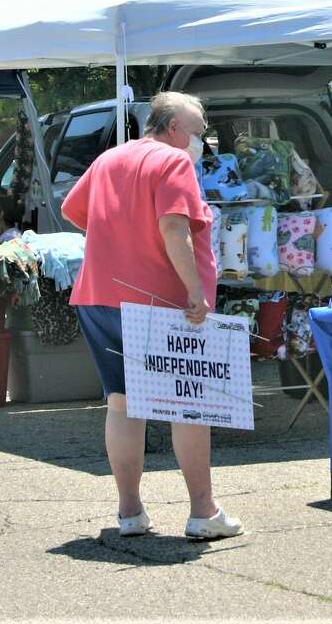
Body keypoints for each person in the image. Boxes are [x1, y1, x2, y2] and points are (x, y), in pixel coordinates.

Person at [62, 91, 241, 540]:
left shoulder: (109, 159)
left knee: (121, 405)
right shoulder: (173, 161)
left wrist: (121, 235)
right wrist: (195, 291)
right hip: (159, 300)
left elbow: (73, 210)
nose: (202, 142)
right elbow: (173, 227)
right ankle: (203, 511)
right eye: (199, 132)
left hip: (99, 295)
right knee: (189, 403)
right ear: (176, 128)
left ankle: (130, 512)